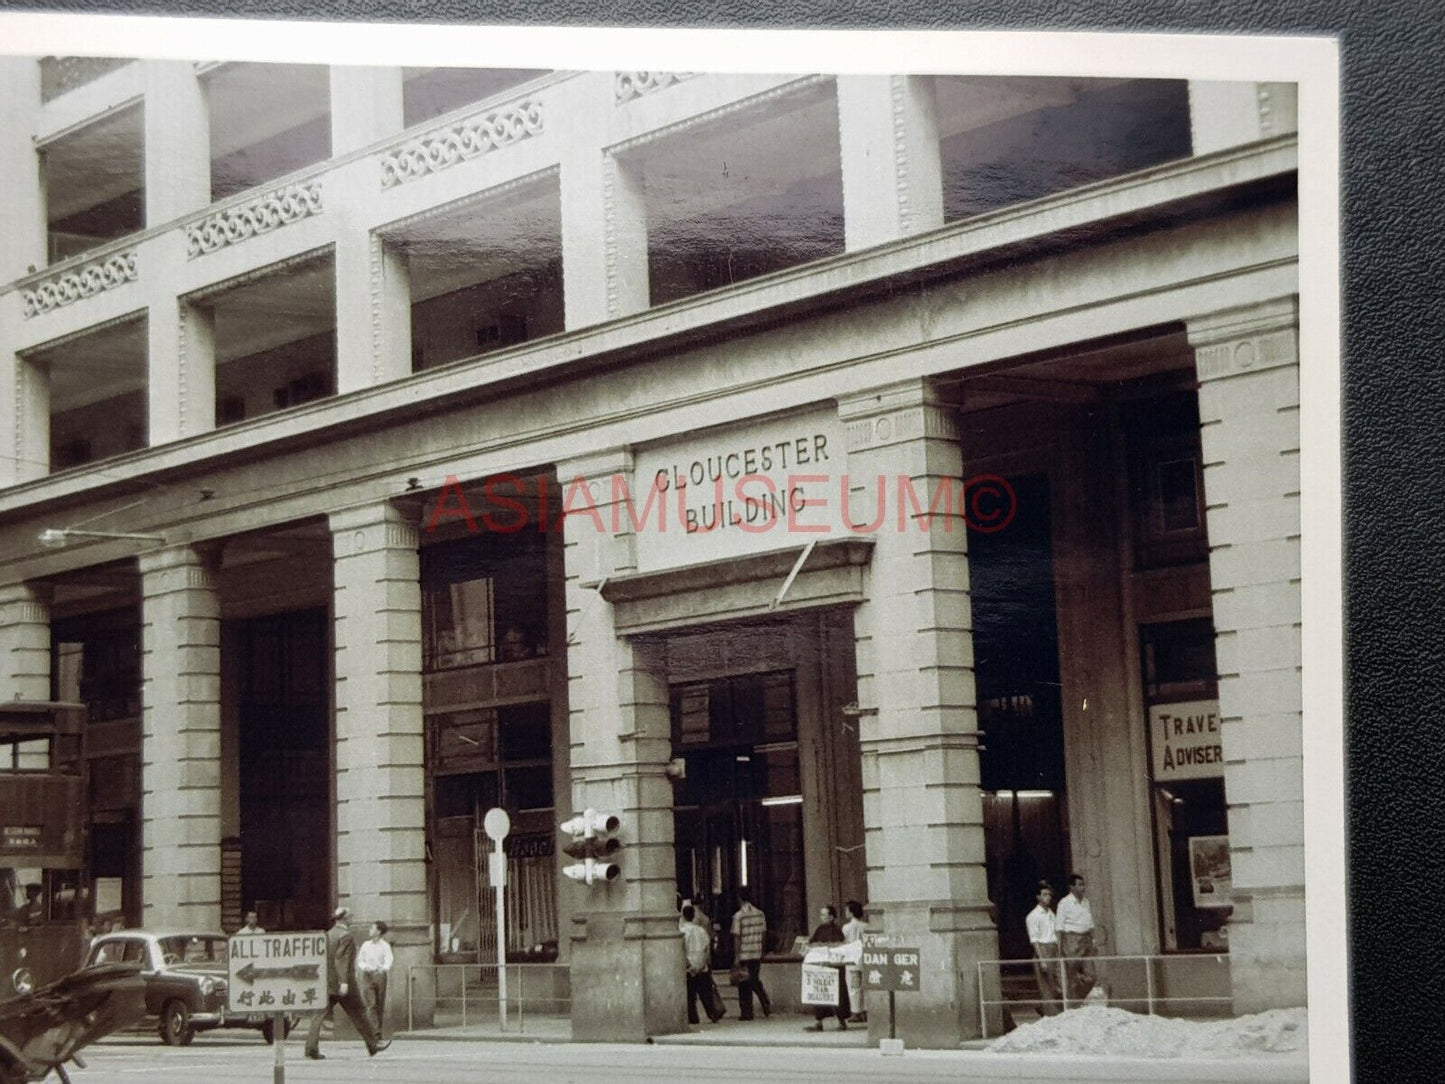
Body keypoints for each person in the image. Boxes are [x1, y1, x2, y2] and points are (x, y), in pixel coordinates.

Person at [304, 907, 389, 1060]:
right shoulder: (346, 936)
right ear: (343, 918)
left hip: (327, 983)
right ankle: (373, 1045)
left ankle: (311, 1047)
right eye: (350, 916)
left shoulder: (328, 935)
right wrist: (343, 982)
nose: (351, 919)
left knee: (318, 1014)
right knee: (359, 1013)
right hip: (344, 984)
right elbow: (341, 959)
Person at [804, 904, 850, 1031]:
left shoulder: (837, 930)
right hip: (821, 965)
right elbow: (813, 942)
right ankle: (819, 1021)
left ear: (831, 917)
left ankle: (842, 1021)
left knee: (838, 993)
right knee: (820, 992)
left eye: (824, 915)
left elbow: (837, 946)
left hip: (833, 966)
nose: (822, 917)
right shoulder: (819, 929)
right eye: (821, 915)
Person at [729, 887, 771, 1021]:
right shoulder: (760, 914)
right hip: (756, 952)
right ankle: (764, 1000)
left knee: (744, 985)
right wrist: (762, 951)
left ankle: (747, 1012)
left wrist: (736, 957)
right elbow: (764, 934)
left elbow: (737, 937)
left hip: (744, 954)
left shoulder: (738, 916)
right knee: (754, 979)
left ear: (740, 898)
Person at [1056, 873, 1097, 1001]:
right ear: (1071, 887)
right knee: (1071, 974)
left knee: (1091, 976)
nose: (1083, 887)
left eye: (1083, 884)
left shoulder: (1086, 902)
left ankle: (1078, 998)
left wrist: (1093, 940)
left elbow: (1090, 923)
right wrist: (1060, 947)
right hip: (1072, 939)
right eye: (1079, 885)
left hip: (1086, 939)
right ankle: (1071, 1003)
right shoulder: (1064, 903)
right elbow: (1059, 927)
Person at [681, 905, 724, 1024]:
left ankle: (693, 1018)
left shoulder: (682, 932)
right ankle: (713, 1013)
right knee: (706, 993)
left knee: (690, 996)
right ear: (694, 915)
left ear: (683, 916)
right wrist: (704, 963)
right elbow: (707, 949)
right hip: (702, 966)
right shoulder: (701, 931)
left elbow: (682, 951)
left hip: (689, 968)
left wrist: (689, 965)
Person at [1025, 881, 1062, 1015]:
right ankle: (1050, 1013)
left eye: (1049, 894)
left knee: (1058, 982)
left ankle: (1046, 1008)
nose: (1048, 897)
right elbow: (1034, 940)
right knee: (1046, 985)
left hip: (1054, 948)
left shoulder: (1051, 914)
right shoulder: (1033, 916)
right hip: (1043, 948)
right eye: (1044, 894)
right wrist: (1042, 959)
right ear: (1038, 897)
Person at [356, 921, 394, 1039]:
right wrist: (364, 967)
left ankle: (378, 1030)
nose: (370, 930)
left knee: (379, 1003)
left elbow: (389, 959)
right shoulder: (366, 945)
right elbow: (360, 959)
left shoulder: (385, 946)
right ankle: (375, 1032)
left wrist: (383, 969)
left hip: (379, 974)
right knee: (370, 1003)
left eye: (372, 928)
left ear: (378, 931)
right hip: (367, 975)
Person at [841, 900, 867, 1023]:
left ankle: (856, 1012)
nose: (845, 913)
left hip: (851, 959)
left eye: (847, 910)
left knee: (854, 987)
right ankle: (865, 1010)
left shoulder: (847, 927)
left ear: (851, 912)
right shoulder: (865, 926)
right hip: (864, 959)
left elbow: (844, 942)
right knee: (864, 986)